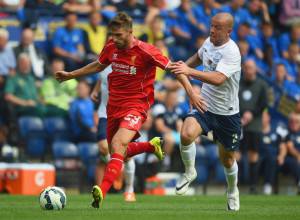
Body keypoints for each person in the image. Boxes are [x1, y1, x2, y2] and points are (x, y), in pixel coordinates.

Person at [55, 12, 171, 208]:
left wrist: (192, 92)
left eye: (119, 35)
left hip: (136, 106)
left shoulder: (146, 51)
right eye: (112, 34)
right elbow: (98, 66)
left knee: (118, 144)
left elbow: (173, 68)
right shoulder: (111, 47)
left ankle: (103, 191)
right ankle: (151, 146)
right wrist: (71, 75)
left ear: (130, 32)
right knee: (118, 152)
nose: (114, 39)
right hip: (113, 108)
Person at [170, 12, 241, 211]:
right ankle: (190, 171)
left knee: (227, 159)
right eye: (211, 26)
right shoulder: (208, 43)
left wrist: (189, 72)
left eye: (218, 28)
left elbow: (219, 79)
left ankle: (232, 190)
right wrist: (182, 67)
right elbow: (194, 59)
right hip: (206, 105)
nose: (212, 30)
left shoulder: (232, 51)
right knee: (185, 134)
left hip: (227, 113)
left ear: (229, 31)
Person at [90, 65, 137, 202]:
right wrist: (95, 90)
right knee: (103, 147)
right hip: (104, 113)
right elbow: (102, 77)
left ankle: (129, 190)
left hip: (124, 113)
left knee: (127, 155)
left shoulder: (129, 64)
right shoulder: (105, 60)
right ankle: (118, 165)